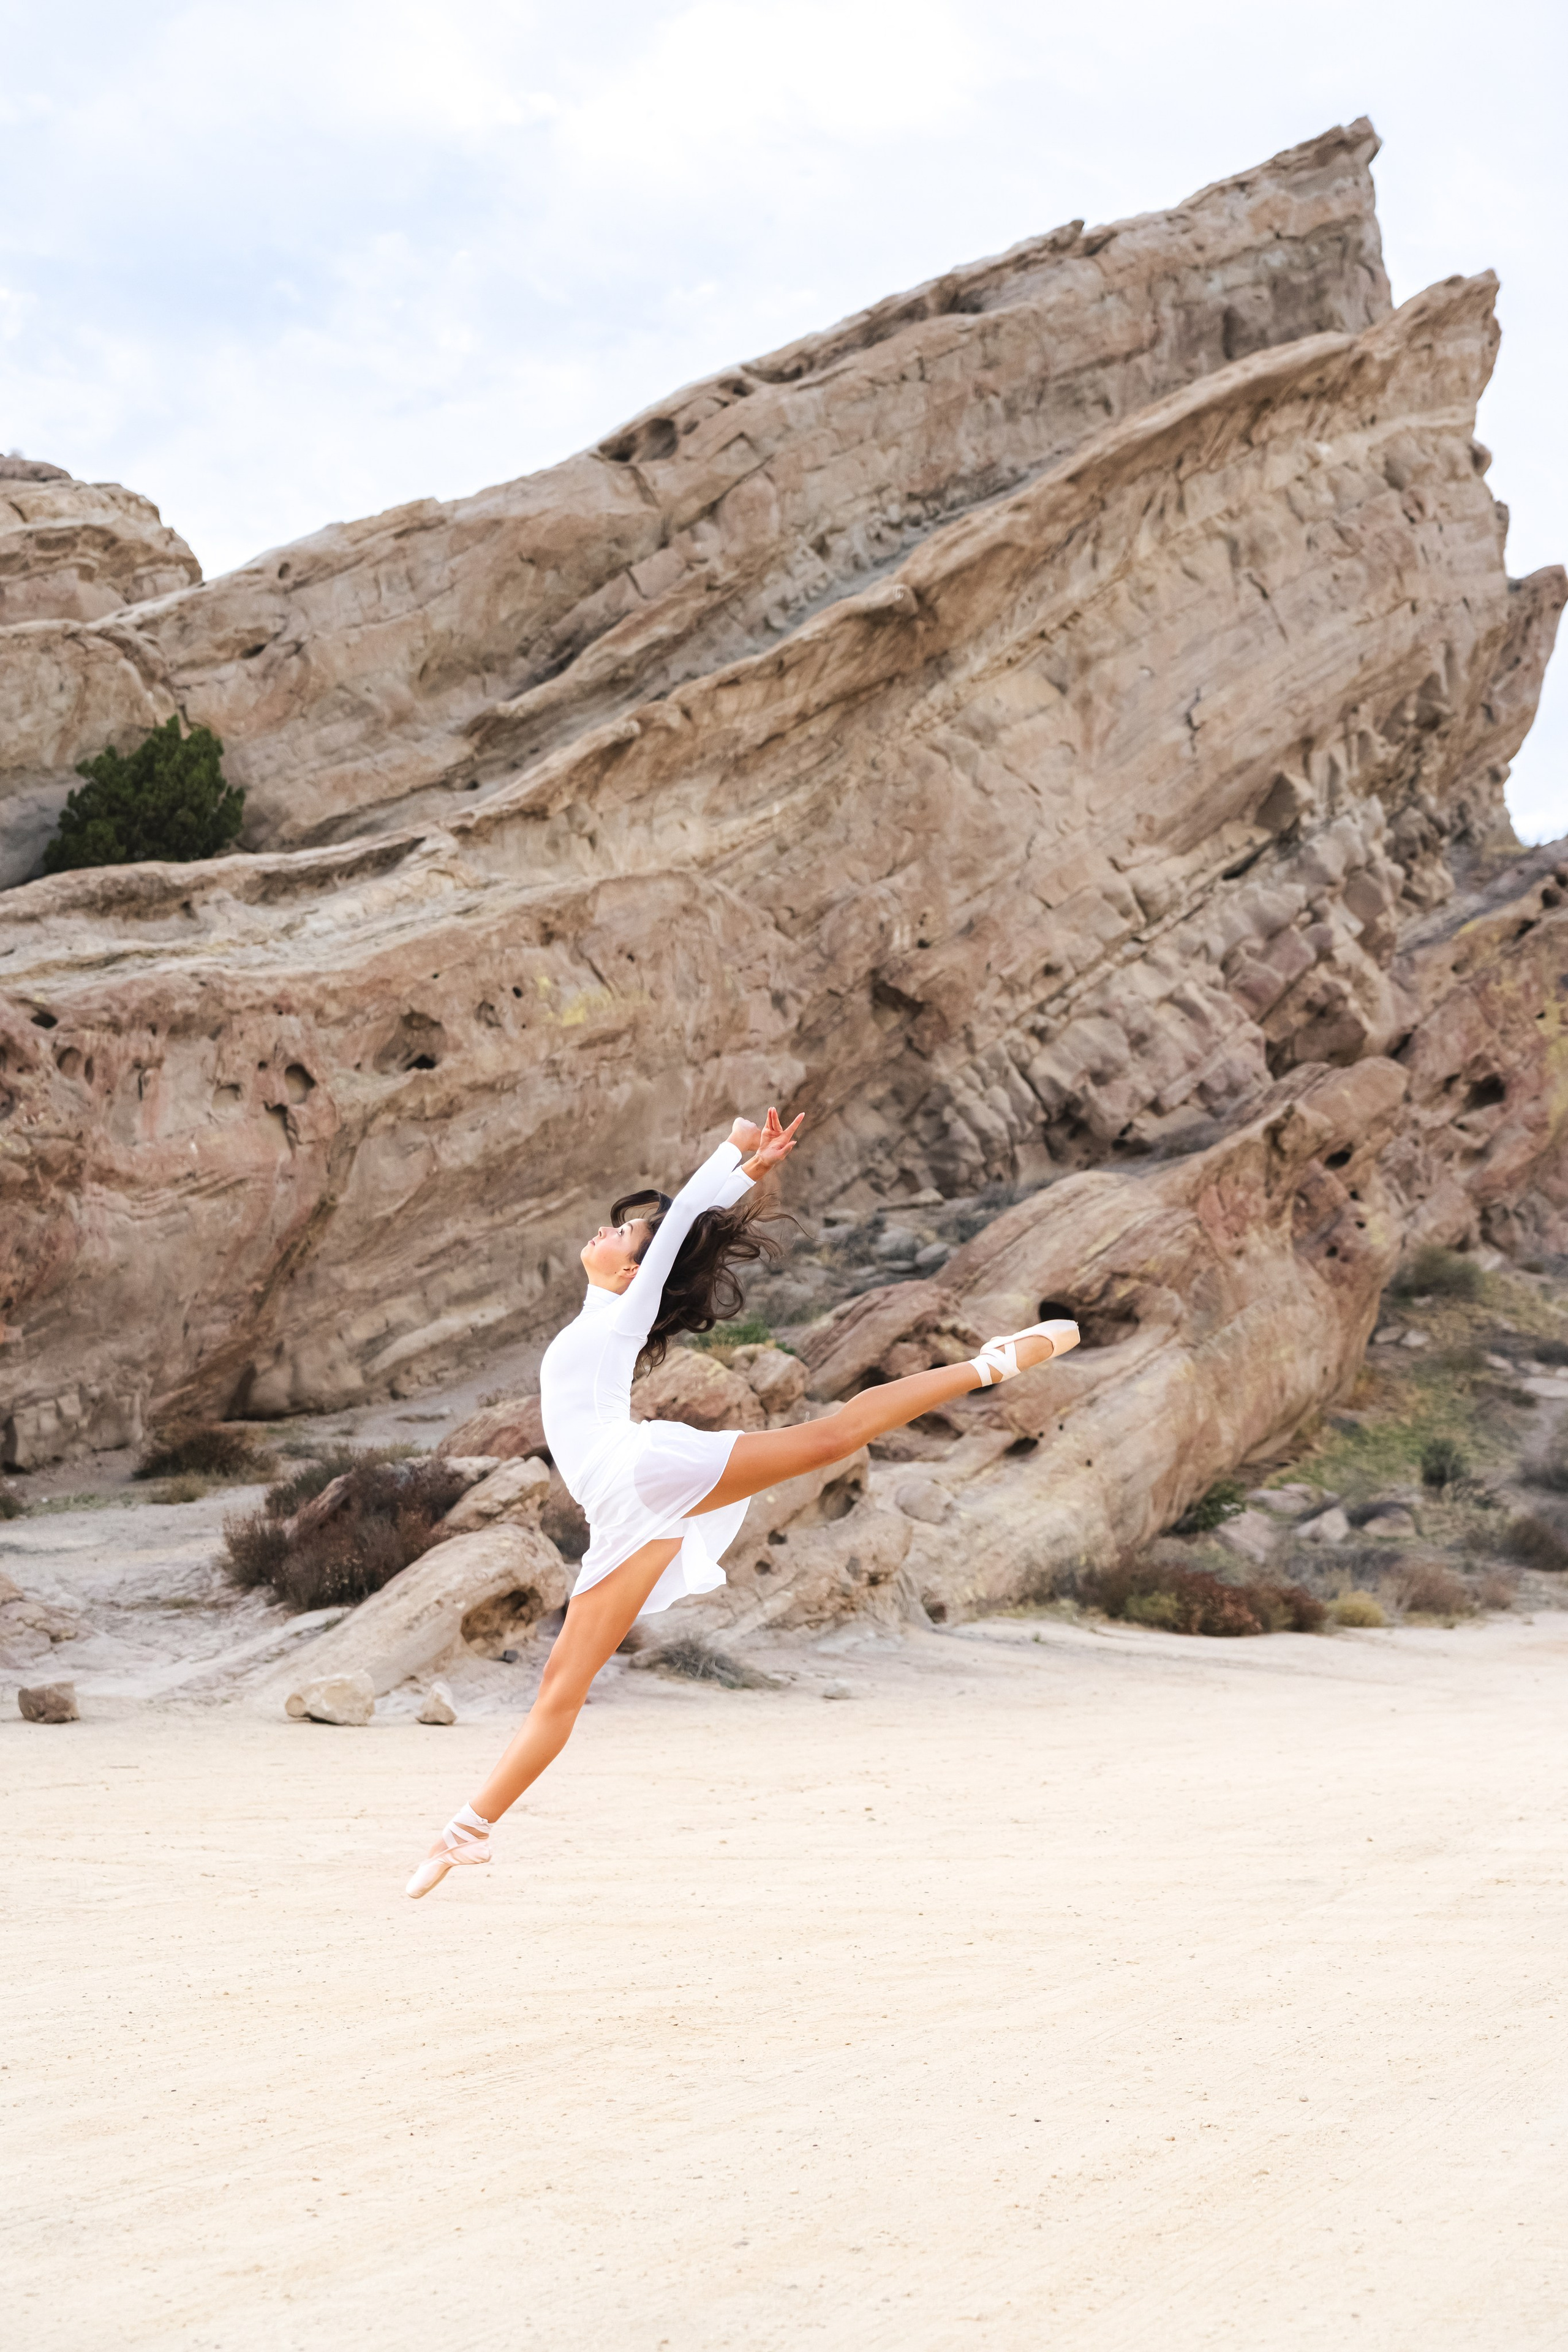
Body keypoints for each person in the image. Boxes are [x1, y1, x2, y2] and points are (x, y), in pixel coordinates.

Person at [406, 1109, 1078, 1895]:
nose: (606, 1232)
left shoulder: (622, 1312)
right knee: (562, 1685)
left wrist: (734, 1152)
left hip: (639, 1467)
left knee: (832, 1438)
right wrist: (743, 1171)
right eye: (618, 1228)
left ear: (635, 1270)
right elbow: (684, 1227)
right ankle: (468, 1833)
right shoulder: (602, 1313)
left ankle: (989, 1366)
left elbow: (683, 1220)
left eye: (623, 1235)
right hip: (619, 1511)